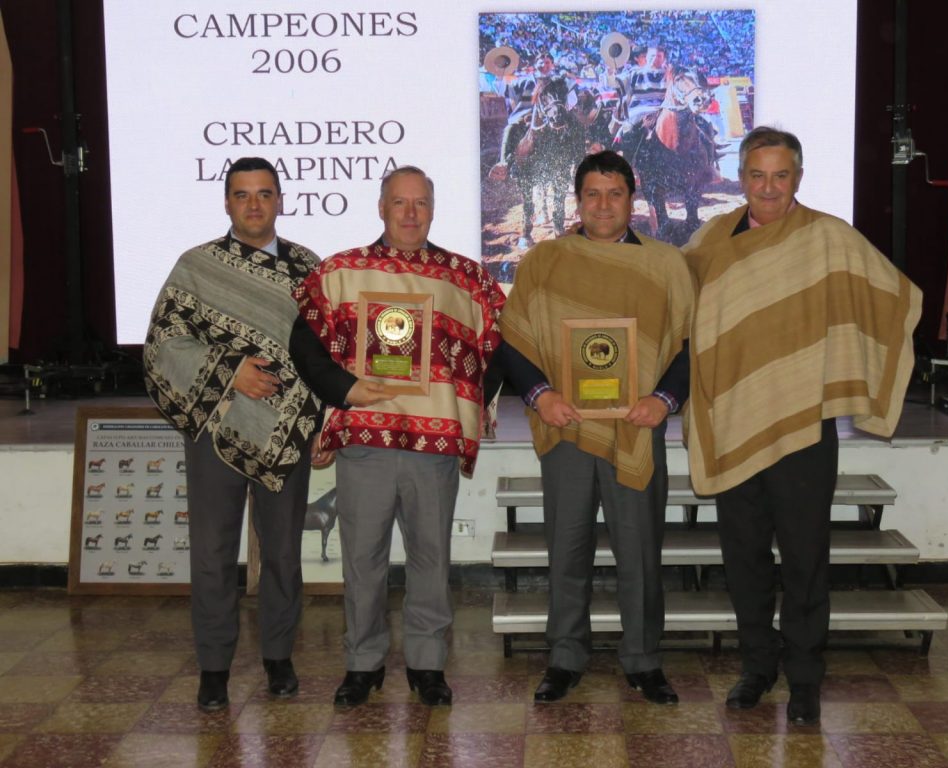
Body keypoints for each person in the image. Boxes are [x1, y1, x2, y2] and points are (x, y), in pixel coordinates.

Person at [681, 126, 922, 725]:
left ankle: (806, 678)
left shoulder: (828, 238)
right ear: (741, 177)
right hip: (735, 421)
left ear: (798, 178)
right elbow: (677, 312)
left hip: (804, 429)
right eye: (757, 175)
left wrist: (847, 358)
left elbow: (889, 294)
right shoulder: (710, 241)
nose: (768, 188)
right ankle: (757, 668)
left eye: (780, 175)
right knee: (744, 559)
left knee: (805, 559)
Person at [289, 166, 505, 707]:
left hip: (434, 448)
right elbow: (304, 346)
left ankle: (428, 665)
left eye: (421, 202)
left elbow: (498, 346)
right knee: (363, 561)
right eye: (400, 202)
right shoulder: (341, 272)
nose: (410, 213)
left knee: (432, 559)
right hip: (366, 441)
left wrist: (469, 405)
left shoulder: (466, 278)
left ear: (433, 208)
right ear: (381, 207)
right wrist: (345, 389)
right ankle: (362, 664)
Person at [498, 150, 693, 704]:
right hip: (566, 426)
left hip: (636, 427)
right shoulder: (545, 261)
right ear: (577, 200)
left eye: (615, 194)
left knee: (640, 551)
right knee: (567, 547)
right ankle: (564, 656)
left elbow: (689, 342)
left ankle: (644, 658)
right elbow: (513, 340)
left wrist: (663, 399)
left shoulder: (666, 265)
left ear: (632, 199)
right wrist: (540, 395)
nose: (603, 205)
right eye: (592, 194)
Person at [143, 156, 323, 711]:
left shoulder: (309, 270)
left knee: (283, 552)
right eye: (242, 195)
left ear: (280, 200)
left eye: (264, 193)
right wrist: (230, 372)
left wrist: (327, 418)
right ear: (226, 202)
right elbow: (164, 345)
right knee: (213, 552)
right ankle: (214, 667)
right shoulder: (196, 267)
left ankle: (278, 656)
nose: (253, 204)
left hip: (287, 434)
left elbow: (329, 352)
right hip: (215, 431)